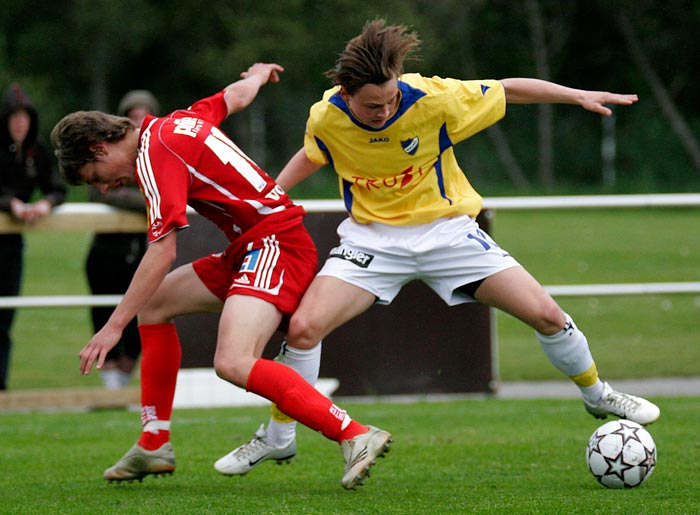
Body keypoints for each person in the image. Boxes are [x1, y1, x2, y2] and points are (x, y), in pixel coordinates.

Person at [215, 19, 660, 477]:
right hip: (373, 240)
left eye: (390, 100)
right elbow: (315, 153)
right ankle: (278, 438)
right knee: (304, 329)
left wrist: (576, 95)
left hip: (446, 232)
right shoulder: (326, 116)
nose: (385, 110)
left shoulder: (433, 98)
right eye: (372, 105)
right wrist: (268, 197)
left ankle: (596, 393)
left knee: (546, 314)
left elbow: (508, 89)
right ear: (345, 95)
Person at [50, 62, 391, 490]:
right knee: (155, 307)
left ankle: (354, 434)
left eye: (95, 178)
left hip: (274, 245)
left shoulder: (153, 156)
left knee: (232, 362)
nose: (104, 187)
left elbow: (162, 251)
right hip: (250, 247)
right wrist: (258, 76)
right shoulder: (178, 122)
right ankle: (154, 441)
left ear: (100, 149)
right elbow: (234, 96)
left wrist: (111, 327)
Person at [85, 90, 159, 390]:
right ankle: (111, 387)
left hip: (143, 251)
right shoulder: (107, 156)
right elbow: (96, 187)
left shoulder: (157, 152)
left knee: (141, 316)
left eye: (144, 115)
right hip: (107, 250)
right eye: (133, 115)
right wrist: (143, 199)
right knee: (104, 310)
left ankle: (122, 385)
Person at [0, 83, 66, 390]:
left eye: (24, 116)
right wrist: (8, 204)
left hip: (11, 244)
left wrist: (44, 204)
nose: (19, 122)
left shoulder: (36, 151)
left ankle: (1, 388)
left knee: (5, 318)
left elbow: (56, 187)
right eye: (14, 116)